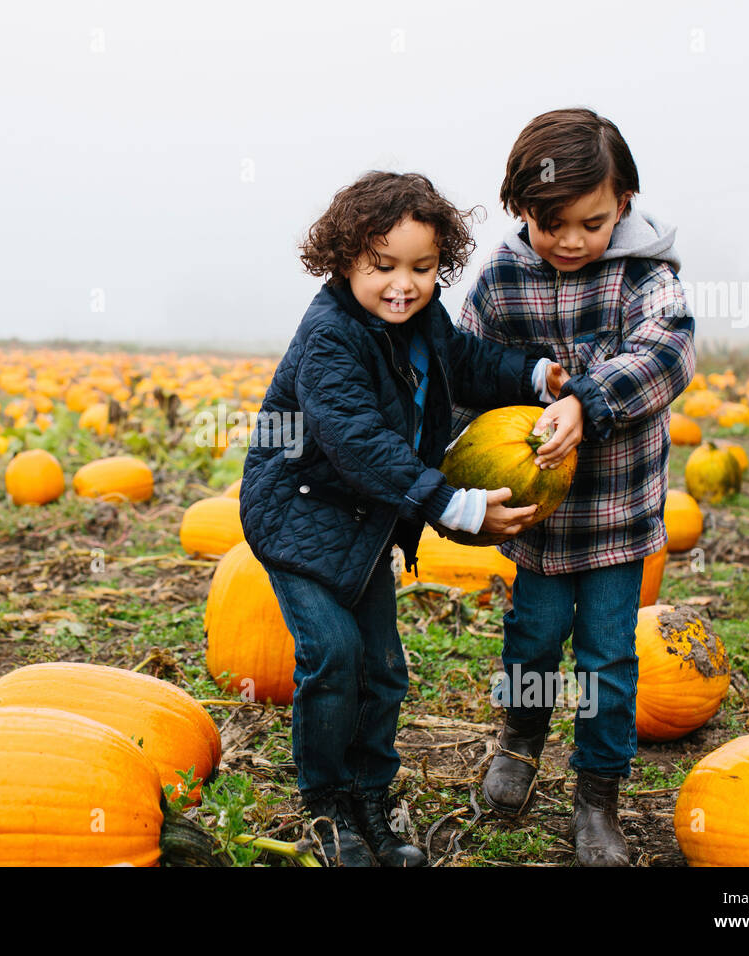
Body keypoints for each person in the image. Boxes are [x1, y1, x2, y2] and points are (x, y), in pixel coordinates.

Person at [238, 171, 583, 866]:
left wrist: (533, 377)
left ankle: (372, 799)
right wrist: (447, 502)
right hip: (298, 521)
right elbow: (358, 442)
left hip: (363, 526)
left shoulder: (422, 322)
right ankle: (327, 808)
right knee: (332, 656)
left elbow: (469, 363)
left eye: (423, 268)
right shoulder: (330, 339)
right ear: (344, 261)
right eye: (383, 267)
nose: (405, 284)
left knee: (385, 670)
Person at [453, 108, 697, 866]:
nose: (568, 240)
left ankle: (598, 796)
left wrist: (585, 402)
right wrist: (444, 474)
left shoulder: (644, 276)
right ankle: (521, 740)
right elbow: (465, 373)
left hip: (618, 521)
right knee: (530, 641)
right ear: (521, 209)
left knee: (607, 661)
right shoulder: (499, 282)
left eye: (590, 223)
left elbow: (670, 351)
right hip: (536, 524)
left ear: (623, 200)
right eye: (548, 222)